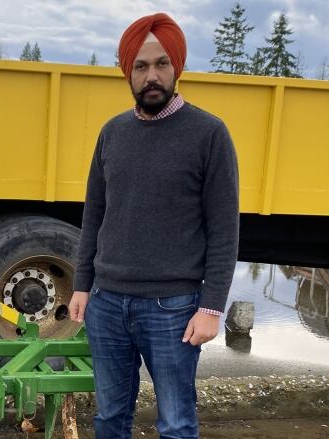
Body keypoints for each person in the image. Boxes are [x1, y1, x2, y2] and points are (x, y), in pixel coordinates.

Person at [68, 12, 239, 439]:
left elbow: (224, 229)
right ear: (128, 72)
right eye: (141, 66)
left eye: (161, 64)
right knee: (109, 417)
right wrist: (83, 284)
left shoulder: (209, 134)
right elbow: (95, 214)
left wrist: (211, 307)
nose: (152, 76)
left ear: (176, 67)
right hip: (107, 304)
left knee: (176, 423)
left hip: (174, 308)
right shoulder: (112, 133)